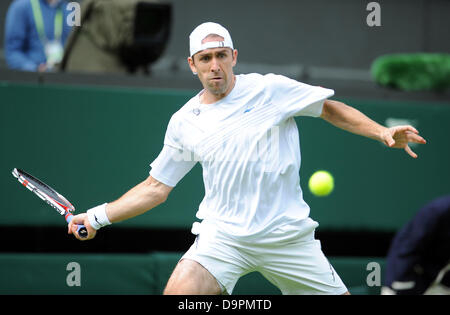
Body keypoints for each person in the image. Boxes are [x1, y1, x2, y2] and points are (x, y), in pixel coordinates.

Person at [68, 22, 427, 295]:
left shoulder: (270, 89)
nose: (215, 66)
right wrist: (97, 217)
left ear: (233, 57)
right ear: (192, 65)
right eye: (205, 59)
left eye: (221, 56)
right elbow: (155, 188)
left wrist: (380, 132)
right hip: (223, 238)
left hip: (287, 237)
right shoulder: (184, 122)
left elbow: (329, 109)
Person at [381, 195, 450, 295]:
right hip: (411, 277)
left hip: (440, 280)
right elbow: (407, 247)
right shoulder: (436, 211)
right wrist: (393, 285)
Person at [4, 0, 72, 72]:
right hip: (33, 77)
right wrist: (34, 69)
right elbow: (13, 52)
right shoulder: (22, 6)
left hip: (63, 75)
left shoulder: (68, 9)